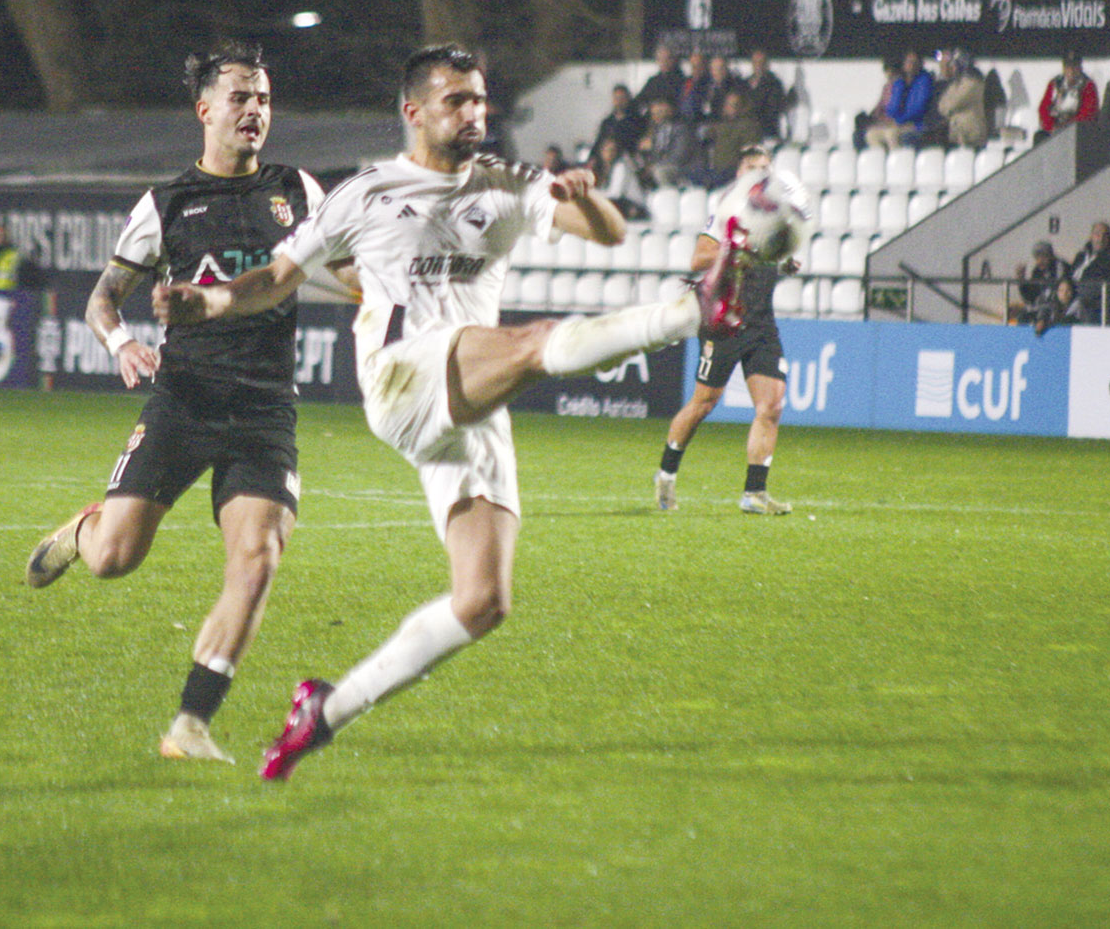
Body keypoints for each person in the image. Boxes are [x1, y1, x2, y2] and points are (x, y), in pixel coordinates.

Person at [155, 44, 746, 781]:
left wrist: (586, 193)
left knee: (483, 599)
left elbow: (609, 232)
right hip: (404, 379)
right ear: (414, 112)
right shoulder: (366, 191)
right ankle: (693, 308)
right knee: (531, 343)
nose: (474, 113)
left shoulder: (505, 180)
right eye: (457, 101)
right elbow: (277, 277)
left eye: (480, 100)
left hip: (470, 399)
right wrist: (209, 299)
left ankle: (326, 710)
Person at [22, 42, 334, 765]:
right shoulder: (166, 205)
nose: (254, 110)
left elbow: (345, 268)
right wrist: (121, 344)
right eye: (239, 97)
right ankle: (85, 529)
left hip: (264, 410)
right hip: (184, 401)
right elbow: (103, 297)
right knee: (115, 560)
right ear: (205, 110)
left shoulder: (300, 192)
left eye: (262, 97)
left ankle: (191, 723)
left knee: (256, 560)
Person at [652, 146, 801, 517]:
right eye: (753, 167)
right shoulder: (726, 214)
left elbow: (767, 261)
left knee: (771, 406)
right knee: (703, 403)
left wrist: (786, 264)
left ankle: (754, 493)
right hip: (725, 323)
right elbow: (699, 258)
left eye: (765, 168)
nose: (760, 174)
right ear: (740, 172)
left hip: (762, 323)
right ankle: (667, 474)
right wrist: (739, 247)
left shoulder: (776, 215)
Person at [866, 49, 935, 148]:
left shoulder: (923, 81)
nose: (910, 65)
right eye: (908, 62)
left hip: (915, 124)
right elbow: (892, 107)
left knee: (891, 134)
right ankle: (881, 160)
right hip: (897, 123)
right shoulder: (899, 82)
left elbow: (919, 108)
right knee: (872, 135)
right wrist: (891, 119)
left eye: (914, 62)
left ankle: (899, 160)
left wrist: (899, 121)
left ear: (920, 64)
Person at [696, 88, 763, 187]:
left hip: (732, 172)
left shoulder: (749, 127)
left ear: (743, 107)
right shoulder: (722, 125)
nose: (728, 108)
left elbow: (749, 154)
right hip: (716, 170)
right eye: (727, 104)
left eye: (733, 105)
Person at [933, 48, 990, 148]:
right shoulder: (957, 82)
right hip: (957, 130)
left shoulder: (972, 82)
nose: (952, 68)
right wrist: (946, 106)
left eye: (954, 65)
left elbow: (952, 104)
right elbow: (941, 105)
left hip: (970, 133)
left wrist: (947, 106)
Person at [637, 97, 697, 186]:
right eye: (653, 114)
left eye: (659, 113)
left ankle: (668, 196)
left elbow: (679, 156)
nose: (655, 116)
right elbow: (654, 156)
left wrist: (654, 165)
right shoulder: (655, 131)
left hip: (683, 168)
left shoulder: (680, 129)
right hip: (660, 166)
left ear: (669, 111)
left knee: (659, 171)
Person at [1037, 53, 1098, 139]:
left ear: (1080, 67)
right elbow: (1043, 108)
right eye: (1068, 67)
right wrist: (1051, 127)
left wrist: (1067, 128)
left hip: (1076, 132)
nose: (1071, 71)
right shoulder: (1055, 83)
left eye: (1075, 67)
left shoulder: (1088, 85)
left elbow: (1087, 113)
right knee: (1039, 137)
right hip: (1055, 128)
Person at [591, 136, 647, 220]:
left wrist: (595, 195)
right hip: (619, 201)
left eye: (613, 150)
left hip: (633, 205)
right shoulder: (602, 168)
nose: (610, 154)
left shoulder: (621, 167)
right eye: (607, 150)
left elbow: (616, 194)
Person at [742, 49, 788, 140]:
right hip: (747, 132)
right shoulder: (745, 83)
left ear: (767, 64)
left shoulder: (774, 84)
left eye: (761, 62)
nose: (758, 65)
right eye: (755, 62)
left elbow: (773, 109)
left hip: (766, 133)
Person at [593, 83, 647, 161]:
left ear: (628, 99)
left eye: (622, 98)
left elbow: (636, 144)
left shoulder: (638, 121)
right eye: (616, 98)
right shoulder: (607, 122)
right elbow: (598, 143)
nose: (619, 102)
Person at [634, 46, 688, 119]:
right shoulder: (653, 81)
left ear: (674, 60)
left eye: (667, 59)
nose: (664, 62)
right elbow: (639, 100)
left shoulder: (682, 80)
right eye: (661, 59)